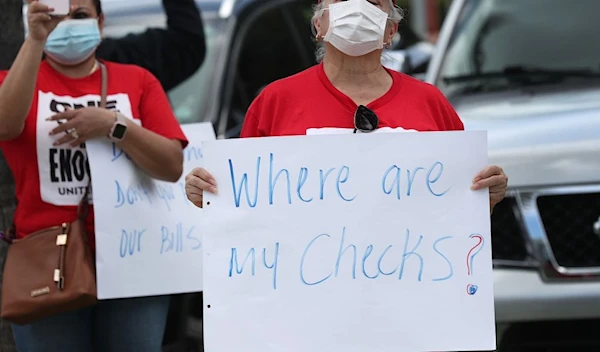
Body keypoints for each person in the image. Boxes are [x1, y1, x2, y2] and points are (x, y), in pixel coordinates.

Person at [183, 0, 508, 212]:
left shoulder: (429, 102)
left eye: (372, 3)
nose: (357, 8)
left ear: (390, 31)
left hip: (406, 301)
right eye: (341, 0)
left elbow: (459, 203)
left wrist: (487, 196)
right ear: (319, 26)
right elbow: (244, 201)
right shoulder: (275, 102)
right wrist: (209, 194)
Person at [0, 0, 188, 351]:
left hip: (133, 262)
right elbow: (5, 124)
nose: (69, 24)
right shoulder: (16, 82)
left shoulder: (138, 80)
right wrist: (35, 40)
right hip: (49, 264)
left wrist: (114, 125)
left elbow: (172, 165)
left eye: (81, 16)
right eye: (57, 16)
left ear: (100, 24)